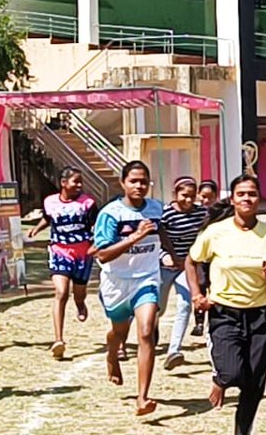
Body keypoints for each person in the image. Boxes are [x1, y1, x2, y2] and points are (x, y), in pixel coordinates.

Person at [185, 175, 266, 435]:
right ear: (232, 200)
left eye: (252, 194)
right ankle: (221, 379)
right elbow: (192, 261)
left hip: (260, 314)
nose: (246, 199)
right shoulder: (217, 232)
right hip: (224, 312)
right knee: (233, 373)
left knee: (255, 379)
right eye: (241, 194)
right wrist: (197, 294)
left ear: (259, 199)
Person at [93, 161, 167, 416]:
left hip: (146, 278)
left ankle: (142, 397)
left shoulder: (157, 209)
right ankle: (112, 356)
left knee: (146, 331)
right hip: (116, 281)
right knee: (118, 331)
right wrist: (134, 237)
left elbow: (164, 233)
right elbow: (103, 255)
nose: (139, 186)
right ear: (123, 183)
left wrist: (176, 257)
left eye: (144, 181)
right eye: (134, 181)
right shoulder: (111, 214)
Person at [27, 167, 97, 360]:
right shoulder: (50, 202)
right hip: (60, 251)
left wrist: (96, 245)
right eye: (76, 181)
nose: (79, 185)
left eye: (81, 182)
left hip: (83, 254)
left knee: (79, 292)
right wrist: (36, 229)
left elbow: (95, 226)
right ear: (63, 183)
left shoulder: (88, 203)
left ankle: (81, 304)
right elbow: (49, 218)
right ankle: (58, 339)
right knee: (61, 292)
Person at [157, 177, 208, 369]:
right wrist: (165, 257)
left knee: (185, 304)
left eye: (192, 196)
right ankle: (151, 327)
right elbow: (156, 240)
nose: (188, 200)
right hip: (166, 266)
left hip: (187, 267)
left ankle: (174, 351)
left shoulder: (201, 213)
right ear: (175, 194)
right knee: (158, 309)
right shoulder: (165, 214)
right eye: (184, 196)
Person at [189, 180, 219, 339]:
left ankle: (214, 321)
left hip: (215, 259)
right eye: (203, 196)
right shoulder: (195, 212)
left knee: (215, 290)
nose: (206, 201)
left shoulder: (220, 213)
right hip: (200, 258)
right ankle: (199, 322)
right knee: (200, 287)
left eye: (210, 197)